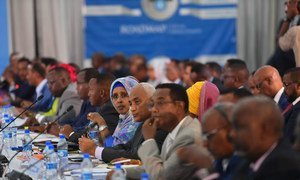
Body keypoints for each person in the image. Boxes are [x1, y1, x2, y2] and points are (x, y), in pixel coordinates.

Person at [125, 83, 202, 180]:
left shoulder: (189, 136)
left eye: (160, 103)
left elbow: (160, 176)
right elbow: (154, 168)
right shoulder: (174, 131)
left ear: (179, 107)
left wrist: (149, 140)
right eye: (152, 104)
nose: (153, 109)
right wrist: (122, 172)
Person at [78, 83, 168, 163]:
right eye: (131, 103)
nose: (132, 108)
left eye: (137, 102)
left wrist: (95, 150)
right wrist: (97, 150)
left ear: (152, 102)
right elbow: (126, 147)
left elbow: (136, 155)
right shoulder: (144, 123)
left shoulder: (159, 126)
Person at [230, 96, 300, 179]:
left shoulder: (284, 167)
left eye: (240, 127)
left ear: (267, 129)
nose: (232, 134)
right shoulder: (249, 158)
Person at [177, 103, 239, 180]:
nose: (205, 144)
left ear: (230, 130)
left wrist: (206, 166)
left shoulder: (246, 163)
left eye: (209, 136)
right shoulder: (220, 161)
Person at [68, 73, 119, 144]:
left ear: (102, 93)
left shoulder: (109, 110)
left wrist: (70, 134)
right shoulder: (102, 108)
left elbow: (90, 136)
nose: (88, 94)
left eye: (91, 90)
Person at [59, 68, 99, 136]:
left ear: (91, 84)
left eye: (78, 83)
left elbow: (85, 130)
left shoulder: (97, 105)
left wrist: (68, 131)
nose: (76, 88)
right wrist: (59, 126)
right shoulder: (86, 102)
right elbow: (76, 122)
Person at [282, 67, 300, 142]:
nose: (284, 89)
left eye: (286, 85)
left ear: (298, 86)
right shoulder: (294, 105)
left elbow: (288, 138)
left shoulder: (298, 109)